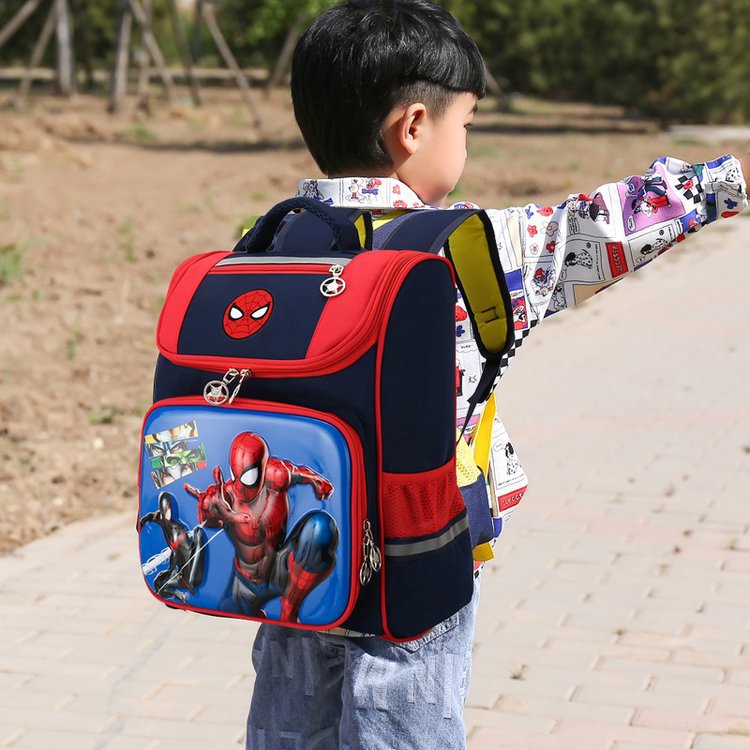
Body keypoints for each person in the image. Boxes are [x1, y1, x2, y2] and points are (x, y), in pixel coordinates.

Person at [245, 1, 749, 748]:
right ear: (415, 127)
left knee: (290, 728)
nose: (467, 142)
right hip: (418, 561)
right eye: (468, 123)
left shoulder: (269, 244)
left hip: (292, 559)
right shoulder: (468, 248)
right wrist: (726, 180)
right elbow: (603, 225)